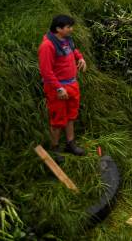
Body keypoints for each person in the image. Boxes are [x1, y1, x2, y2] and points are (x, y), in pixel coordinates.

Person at [38, 14, 87, 163]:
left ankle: (70, 144)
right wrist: (59, 88)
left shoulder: (66, 39)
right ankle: (54, 148)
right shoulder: (47, 46)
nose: (71, 29)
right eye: (68, 27)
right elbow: (46, 72)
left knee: (71, 115)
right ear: (58, 29)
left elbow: (73, 50)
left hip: (72, 84)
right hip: (57, 88)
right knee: (57, 120)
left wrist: (80, 58)